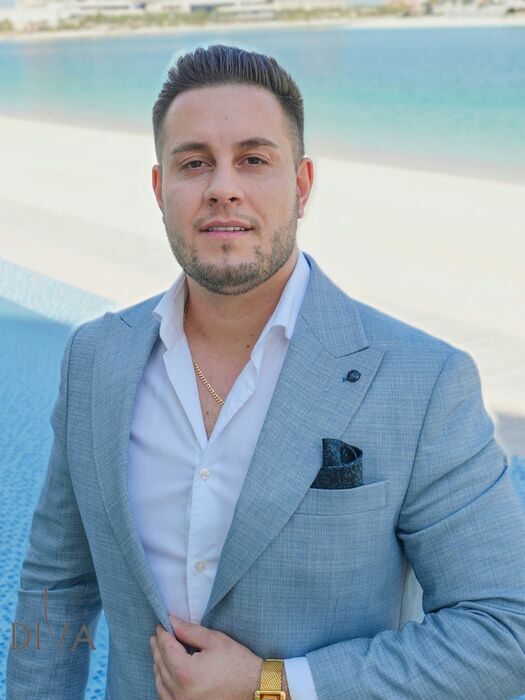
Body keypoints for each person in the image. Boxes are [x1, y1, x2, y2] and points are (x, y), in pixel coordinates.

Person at [6, 44, 525, 700]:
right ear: (160, 190)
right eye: (194, 162)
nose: (223, 186)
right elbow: (56, 587)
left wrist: (273, 685)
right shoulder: (95, 358)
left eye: (253, 159)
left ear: (302, 186)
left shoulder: (423, 383)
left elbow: (504, 631)